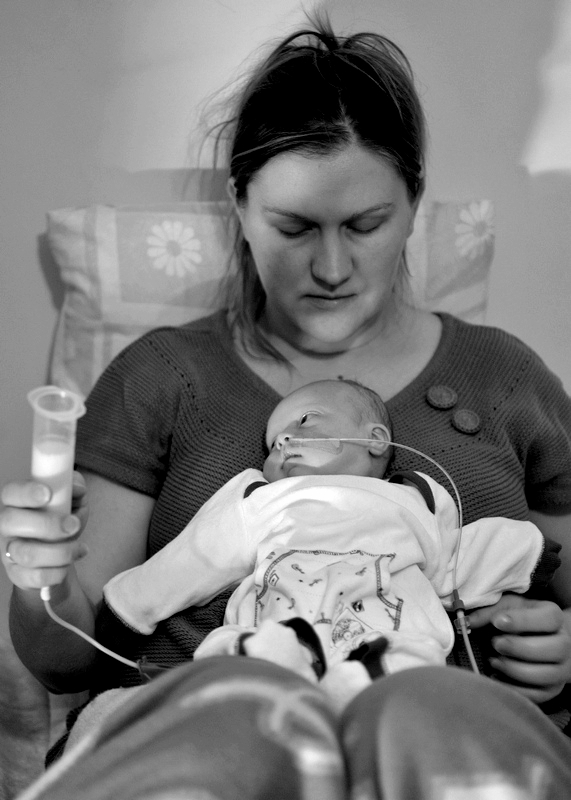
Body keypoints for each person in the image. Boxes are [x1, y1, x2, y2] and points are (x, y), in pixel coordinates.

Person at [2, 15, 571, 798]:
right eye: (294, 227)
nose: (331, 267)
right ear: (238, 207)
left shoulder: (503, 377)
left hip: (448, 732)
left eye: (365, 225)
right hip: (208, 728)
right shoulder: (162, 378)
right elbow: (68, 656)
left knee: (420, 708)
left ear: (413, 204)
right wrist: (38, 580)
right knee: (243, 716)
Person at [103, 378, 556, 698]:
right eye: (273, 444)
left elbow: (453, 558)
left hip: (387, 636)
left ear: (375, 440)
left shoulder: (413, 499)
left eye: (305, 420)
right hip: (281, 628)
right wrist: (129, 606)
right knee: (241, 653)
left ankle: (380, 691)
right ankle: (265, 679)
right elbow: (200, 554)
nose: (284, 440)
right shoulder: (263, 499)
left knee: (413, 667)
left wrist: (525, 554)